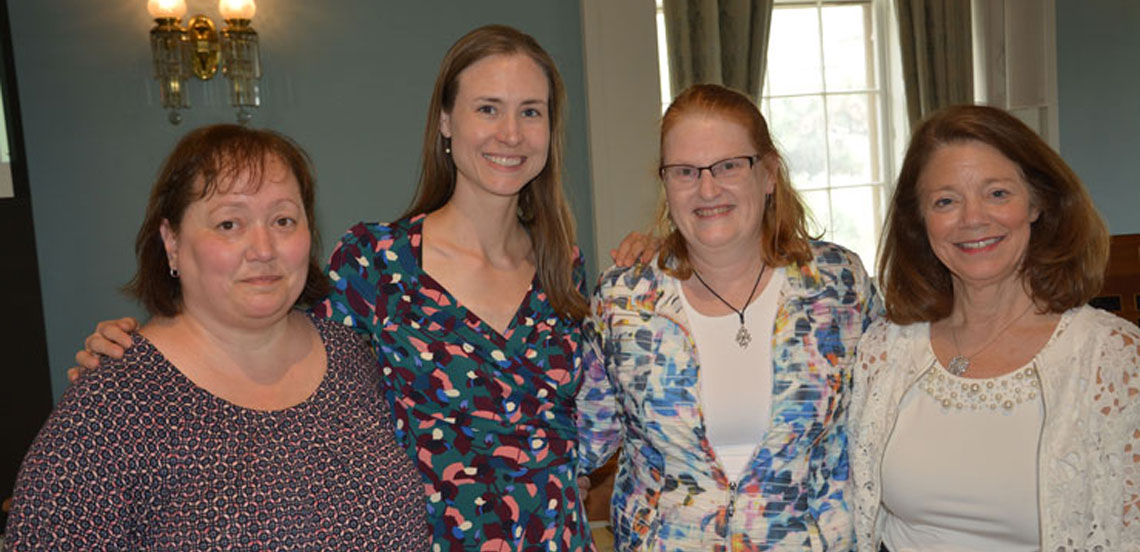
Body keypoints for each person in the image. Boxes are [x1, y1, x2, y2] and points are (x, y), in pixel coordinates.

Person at [71, 25, 604, 550]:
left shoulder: (565, 268)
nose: (510, 133)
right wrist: (144, 354)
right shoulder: (377, 264)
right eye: (487, 108)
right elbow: (269, 344)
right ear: (445, 121)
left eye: (530, 111)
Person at [4, 125, 427, 550]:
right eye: (229, 223)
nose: (263, 248)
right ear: (172, 242)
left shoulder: (349, 356)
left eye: (283, 220)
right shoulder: (114, 401)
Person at [576, 83, 881, 550]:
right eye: (684, 171)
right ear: (665, 183)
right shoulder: (625, 301)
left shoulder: (839, 287)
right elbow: (578, 439)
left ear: (769, 173)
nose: (707, 188)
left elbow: (891, 417)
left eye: (729, 166)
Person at [848, 104, 1140, 551]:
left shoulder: (1110, 358)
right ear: (920, 221)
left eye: (998, 193)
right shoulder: (885, 350)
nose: (973, 219)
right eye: (945, 201)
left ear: (1038, 202)